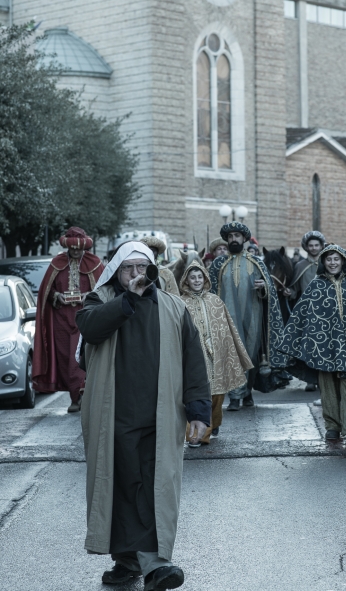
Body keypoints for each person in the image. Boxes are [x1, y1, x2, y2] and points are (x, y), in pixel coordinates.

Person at [76, 241, 211, 590]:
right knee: (120, 487)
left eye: (143, 267)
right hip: (113, 418)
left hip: (161, 418)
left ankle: (155, 565)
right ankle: (126, 561)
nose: (137, 274)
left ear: (154, 270)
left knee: (155, 488)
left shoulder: (172, 307)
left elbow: (193, 363)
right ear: (117, 271)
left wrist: (199, 410)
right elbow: (90, 329)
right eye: (129, 268)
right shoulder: (100, 301)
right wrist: (128, 301)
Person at [278, 244, 346, 441]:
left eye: (336, 259)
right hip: (323, 346)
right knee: (328, 384)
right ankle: (332, 426)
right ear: (323, 262)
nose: (332, 263)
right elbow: (301, 314)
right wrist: (290, 339)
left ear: (343, 261)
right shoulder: (316, 286)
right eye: (329, 259)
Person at [209, 222, 285, 411]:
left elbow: (271, 293)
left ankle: (248, 391)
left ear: (244, 239)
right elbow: (209, 291)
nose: (234, 239)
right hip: (227, 318)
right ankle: (235, 397)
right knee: (233, 355)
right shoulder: (218, 263)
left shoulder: (257, 262)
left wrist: (264, 288)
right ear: (227, 239)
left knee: (250, 356)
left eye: (237, 236)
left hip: (253, 318)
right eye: (231, 236)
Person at [180, 260, 253, 444]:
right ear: (186, 280)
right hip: (195, 355)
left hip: (216, 355)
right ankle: (198, 435)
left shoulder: (215, 300)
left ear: (204, 278)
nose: (196, 280)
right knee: (198, 392)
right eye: (192, 277)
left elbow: (228, 329)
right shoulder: (180, 303)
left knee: (217, 394)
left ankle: (214, 423)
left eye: (199, 277)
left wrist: (226, 349)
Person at [33, 226, 104, 413]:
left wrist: (87, 296)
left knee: (83, 358)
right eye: (72, 248)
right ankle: (75, 397)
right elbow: (46, 293)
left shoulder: (95, 263)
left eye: (78, 249)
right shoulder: (56, 263)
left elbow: (103, 291)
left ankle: (84, 395)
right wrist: (57, 297)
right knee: (66, 360)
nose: (75, 251)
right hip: (61, 321)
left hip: (86, 318)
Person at [288, 230, 326, 391]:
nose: (314, 248)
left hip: (326, 312)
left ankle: (324, 380)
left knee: (325, 346)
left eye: (317, 245)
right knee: (309, 347)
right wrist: (290, 292)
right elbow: (294, 289)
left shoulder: (328, 263)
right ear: (306, 247)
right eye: (311, 245)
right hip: (307, 313)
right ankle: (310, 379)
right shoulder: (300, 266)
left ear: (321, 246)